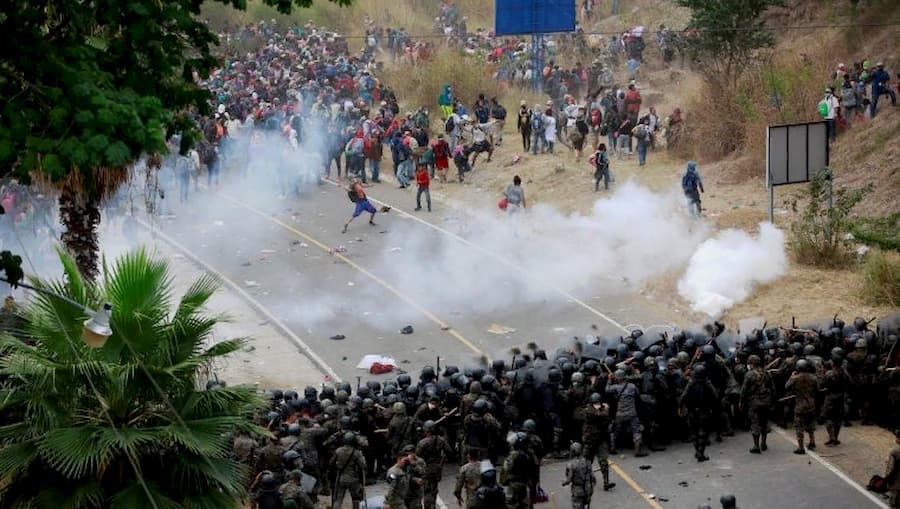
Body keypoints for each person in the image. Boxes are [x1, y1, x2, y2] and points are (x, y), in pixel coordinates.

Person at [740, 355, 775, 454]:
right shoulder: (767, 373)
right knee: (764, 422)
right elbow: (773, 389)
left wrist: (741, 402)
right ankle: (764, 443)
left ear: (751, 364)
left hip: (754, 403)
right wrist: (773, 402)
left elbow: (744, 390)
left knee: (755, 423)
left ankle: (756, 446)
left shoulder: (749, 374)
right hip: (766, 402)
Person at [785, 359, 820, 454]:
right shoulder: (813, 378)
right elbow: (818, 390)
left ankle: (801, 448)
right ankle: (812, 441)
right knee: (811, 424)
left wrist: (791, 376)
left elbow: (786, 386)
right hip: (811, 404)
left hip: (800, 405)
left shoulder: (795, 378)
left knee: (799, 427)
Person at [416, 420, 453, 509]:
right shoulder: (441, 440)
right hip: (437, 468)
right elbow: (449, 452)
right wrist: (442, 462)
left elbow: (417, 457)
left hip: (426, 469)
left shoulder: (422, 442)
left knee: (427, 492)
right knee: (434, 490)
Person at [329, 432, 366, 509]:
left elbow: (331, 463)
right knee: (356, 499)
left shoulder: (338, 451)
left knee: (338, 499)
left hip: (341, 478)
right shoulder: (356, 452)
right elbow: (363, 466)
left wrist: (338, 466)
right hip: (353, 479)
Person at [563, 443, 595, 509]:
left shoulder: (571, 464)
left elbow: (568, 480)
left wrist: (563, 482)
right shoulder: (588, 462)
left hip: (577, 490)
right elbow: (593, 478)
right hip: (588, 489)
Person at [885, 429, 900, 508]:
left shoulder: (895, 451)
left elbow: (890, 469)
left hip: (896, 484)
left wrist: (886, 480)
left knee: (894, 504)